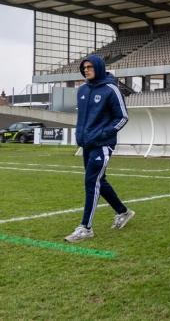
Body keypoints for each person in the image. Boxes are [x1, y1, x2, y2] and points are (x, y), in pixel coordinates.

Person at [64, 55, 134, 243]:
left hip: (103, 144)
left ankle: (85, 228)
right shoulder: (82, 90)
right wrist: (81, 136)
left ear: (98, 68)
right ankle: (123, 212)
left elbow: (122, 118)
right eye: (83, 67)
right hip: (87, 144)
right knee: (99, 182)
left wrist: (104, 134)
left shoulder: (111, 89)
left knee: (91, 181)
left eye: (89, 67)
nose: (86, 70)